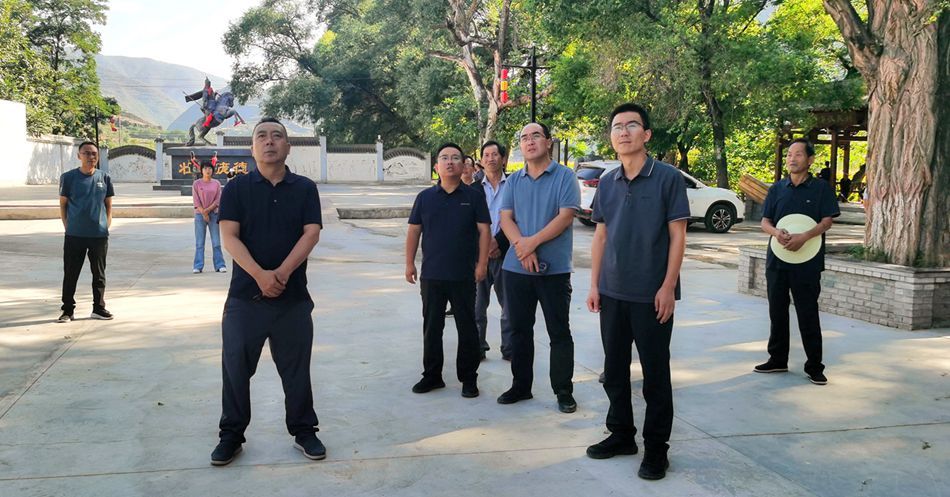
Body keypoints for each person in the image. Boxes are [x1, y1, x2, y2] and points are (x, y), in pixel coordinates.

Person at [211, 118, 326, 466]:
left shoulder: (304, 188)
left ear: (288, 147)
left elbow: (311, 233)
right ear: (252, 147)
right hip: (245, 298)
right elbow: (229, 236)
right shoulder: (236, 189)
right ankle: (231, 435)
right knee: (235, 368)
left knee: (296, 370)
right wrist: (260, 275)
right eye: (261, 136)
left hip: (293, 299)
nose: (269, 141)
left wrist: (282, 273)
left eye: (277, 136)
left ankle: (304, 430)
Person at [585, 103, 689, 481]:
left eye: (632, 125)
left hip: (652, 295)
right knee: (614, 371)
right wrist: (595, 284)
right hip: (612, 292)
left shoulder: (667, 178)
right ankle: (621, 435)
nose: (624, 131)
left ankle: (657, 448)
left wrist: (667, 286)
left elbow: (678, 236)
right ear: (611, 136)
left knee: (655, 375)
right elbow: (600, 235)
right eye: (617, 126)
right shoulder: (608, 182)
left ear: (646, 134)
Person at [496, 122, 581, 414]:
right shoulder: (514, 180)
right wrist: (523, 248)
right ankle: (521, 386)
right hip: (516, 269)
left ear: (548, 142)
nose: (529, 141)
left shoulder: (565, 176)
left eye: (535, 136)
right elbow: (506, 218)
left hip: (554, 270)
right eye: (524, 138)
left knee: (559, 331)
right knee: (519, 330)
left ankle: (563, 390)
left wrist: (531, 243)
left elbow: (565, 216)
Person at [405, 143, 491, 398]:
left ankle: (469, 378)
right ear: (436, 166)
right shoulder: (425, 198)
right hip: (432, 274)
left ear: (464, 165)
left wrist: (482, 264)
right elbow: (414, 231)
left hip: (464, 275)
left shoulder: (474, 196)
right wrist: (409, 263)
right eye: (444, 158)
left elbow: (484, 231)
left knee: (467, 328)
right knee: (432, 327)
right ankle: (432, 376)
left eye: (455, 158)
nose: (450, 162)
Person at [755, 138, 839, 385]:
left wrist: (805, 236)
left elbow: (827, 221)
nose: (792, 158)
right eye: (789, 155)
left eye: (798, 154)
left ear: (810, 160)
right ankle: (777, 359)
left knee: (808, 312)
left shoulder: (821, 189)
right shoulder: (777, 189)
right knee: (777, 311)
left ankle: (814, 366)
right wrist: (776, 233)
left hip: (808, 261)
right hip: (777, 260)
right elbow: (765, 222)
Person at [57, 141, 115, 322]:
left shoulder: (104, 177)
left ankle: (98, 308)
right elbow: (63, 205)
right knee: (71, 273)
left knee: (99, 274)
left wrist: (106, 225)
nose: (91, 157)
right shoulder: (68, 178)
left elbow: (108, 205)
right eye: (87, 153)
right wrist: (68, 226)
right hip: (75, 235)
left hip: (99, 235)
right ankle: (67, 310)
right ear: (79, 155)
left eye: (94, 154)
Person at [474, 140, 512, 360]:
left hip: (506, 254)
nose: (490, 158)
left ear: (503, 159)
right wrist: (485, 246)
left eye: (495, 154)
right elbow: (468, 223)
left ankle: (509, 348)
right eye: (486, 155)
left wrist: (498, 242)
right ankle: (477, 346)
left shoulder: (514, 185)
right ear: (481, 160)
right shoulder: (473, 189)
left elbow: (518, 218)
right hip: (480, 256)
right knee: (477, 305)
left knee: (509, 305)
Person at [192, 160, 227, 274]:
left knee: (216, 242)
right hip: (199, 215)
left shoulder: (216, 183)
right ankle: (198, 266)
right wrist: (203, 213)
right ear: (201, 170)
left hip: (214, 214)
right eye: (205, 168)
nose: (208, 170)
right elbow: (196, 201)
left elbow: (218, 200)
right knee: (199, 243)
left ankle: (220, 265)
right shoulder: (196, 184)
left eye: (210, 168)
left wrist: (207, 211)